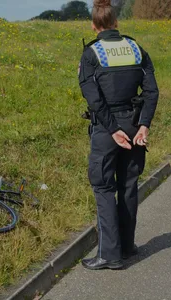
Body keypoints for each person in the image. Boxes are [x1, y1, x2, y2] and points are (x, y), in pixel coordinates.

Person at [78, 0, 159, 270]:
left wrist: (112, 130)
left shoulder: (92, 53)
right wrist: (144, 125)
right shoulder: (137, 48)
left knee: (103, 187)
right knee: (128, 186)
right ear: (116, 23)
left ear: (94, 25)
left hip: (106, 128)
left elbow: (94, 99)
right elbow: (151, 92)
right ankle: (127, 246)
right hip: (135, 125)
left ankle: (109, 255)